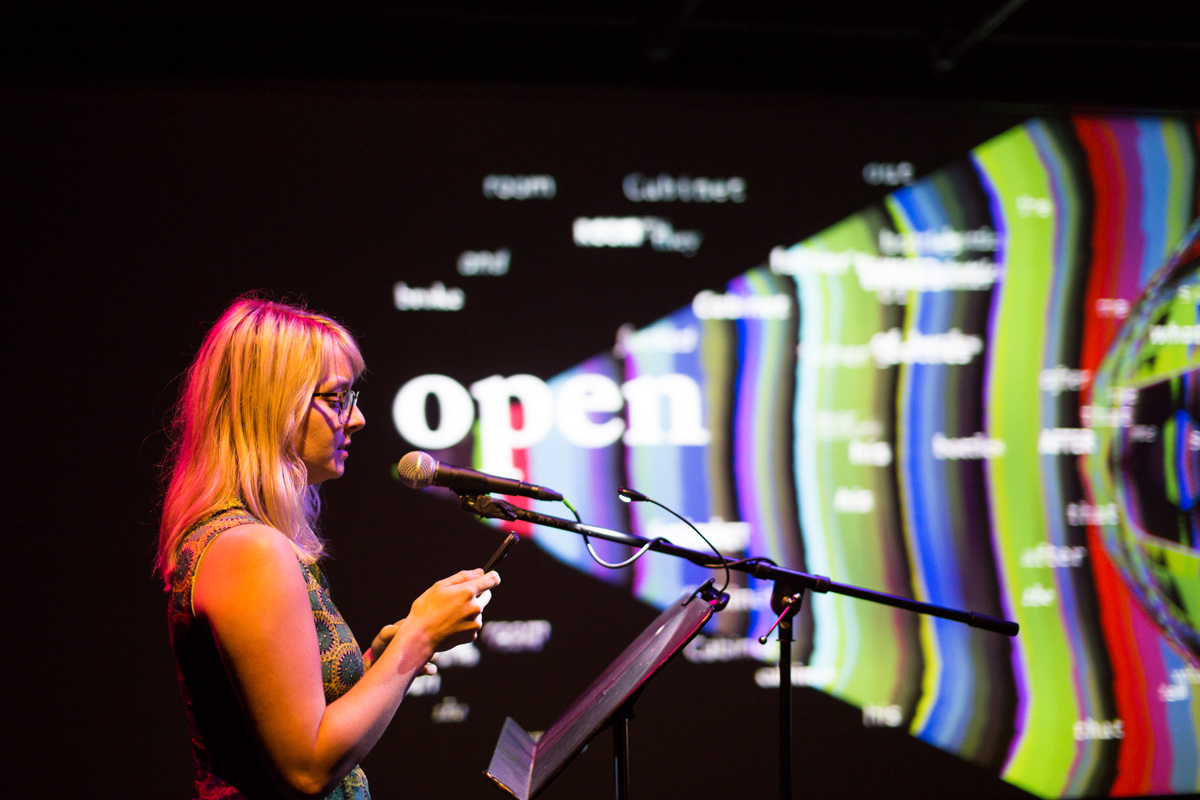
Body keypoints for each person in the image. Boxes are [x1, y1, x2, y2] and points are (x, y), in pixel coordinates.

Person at [156, 294, 500, 799]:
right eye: (337, 399)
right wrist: (418, 637)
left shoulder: (236, 539)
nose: (356, 419)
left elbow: (274, 727)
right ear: (273, 406)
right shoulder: (249, 549)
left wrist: (377, 662)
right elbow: (308, 769)